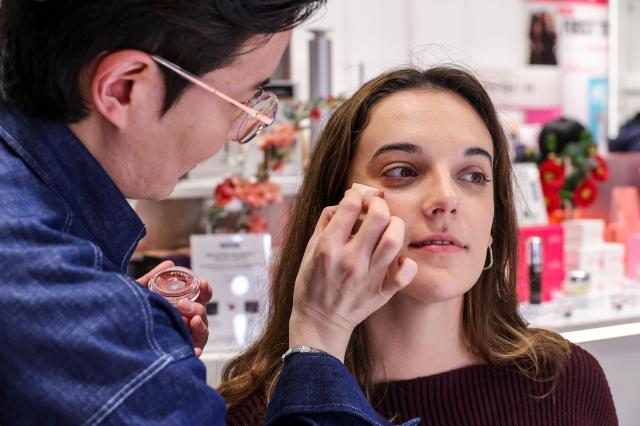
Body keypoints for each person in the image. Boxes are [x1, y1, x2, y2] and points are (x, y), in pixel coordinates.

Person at [0, 1, 419, 424]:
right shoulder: (71, 303)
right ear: (123, 89)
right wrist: (318, 335)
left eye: (474, 175)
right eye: (239, 101)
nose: (239, 134)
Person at [220, 66, 618, 425]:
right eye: (402, 171)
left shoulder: (567, 382)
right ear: (336, 207)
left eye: (474, 176)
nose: (447, 198)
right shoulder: (259, 414)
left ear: (493, 222)